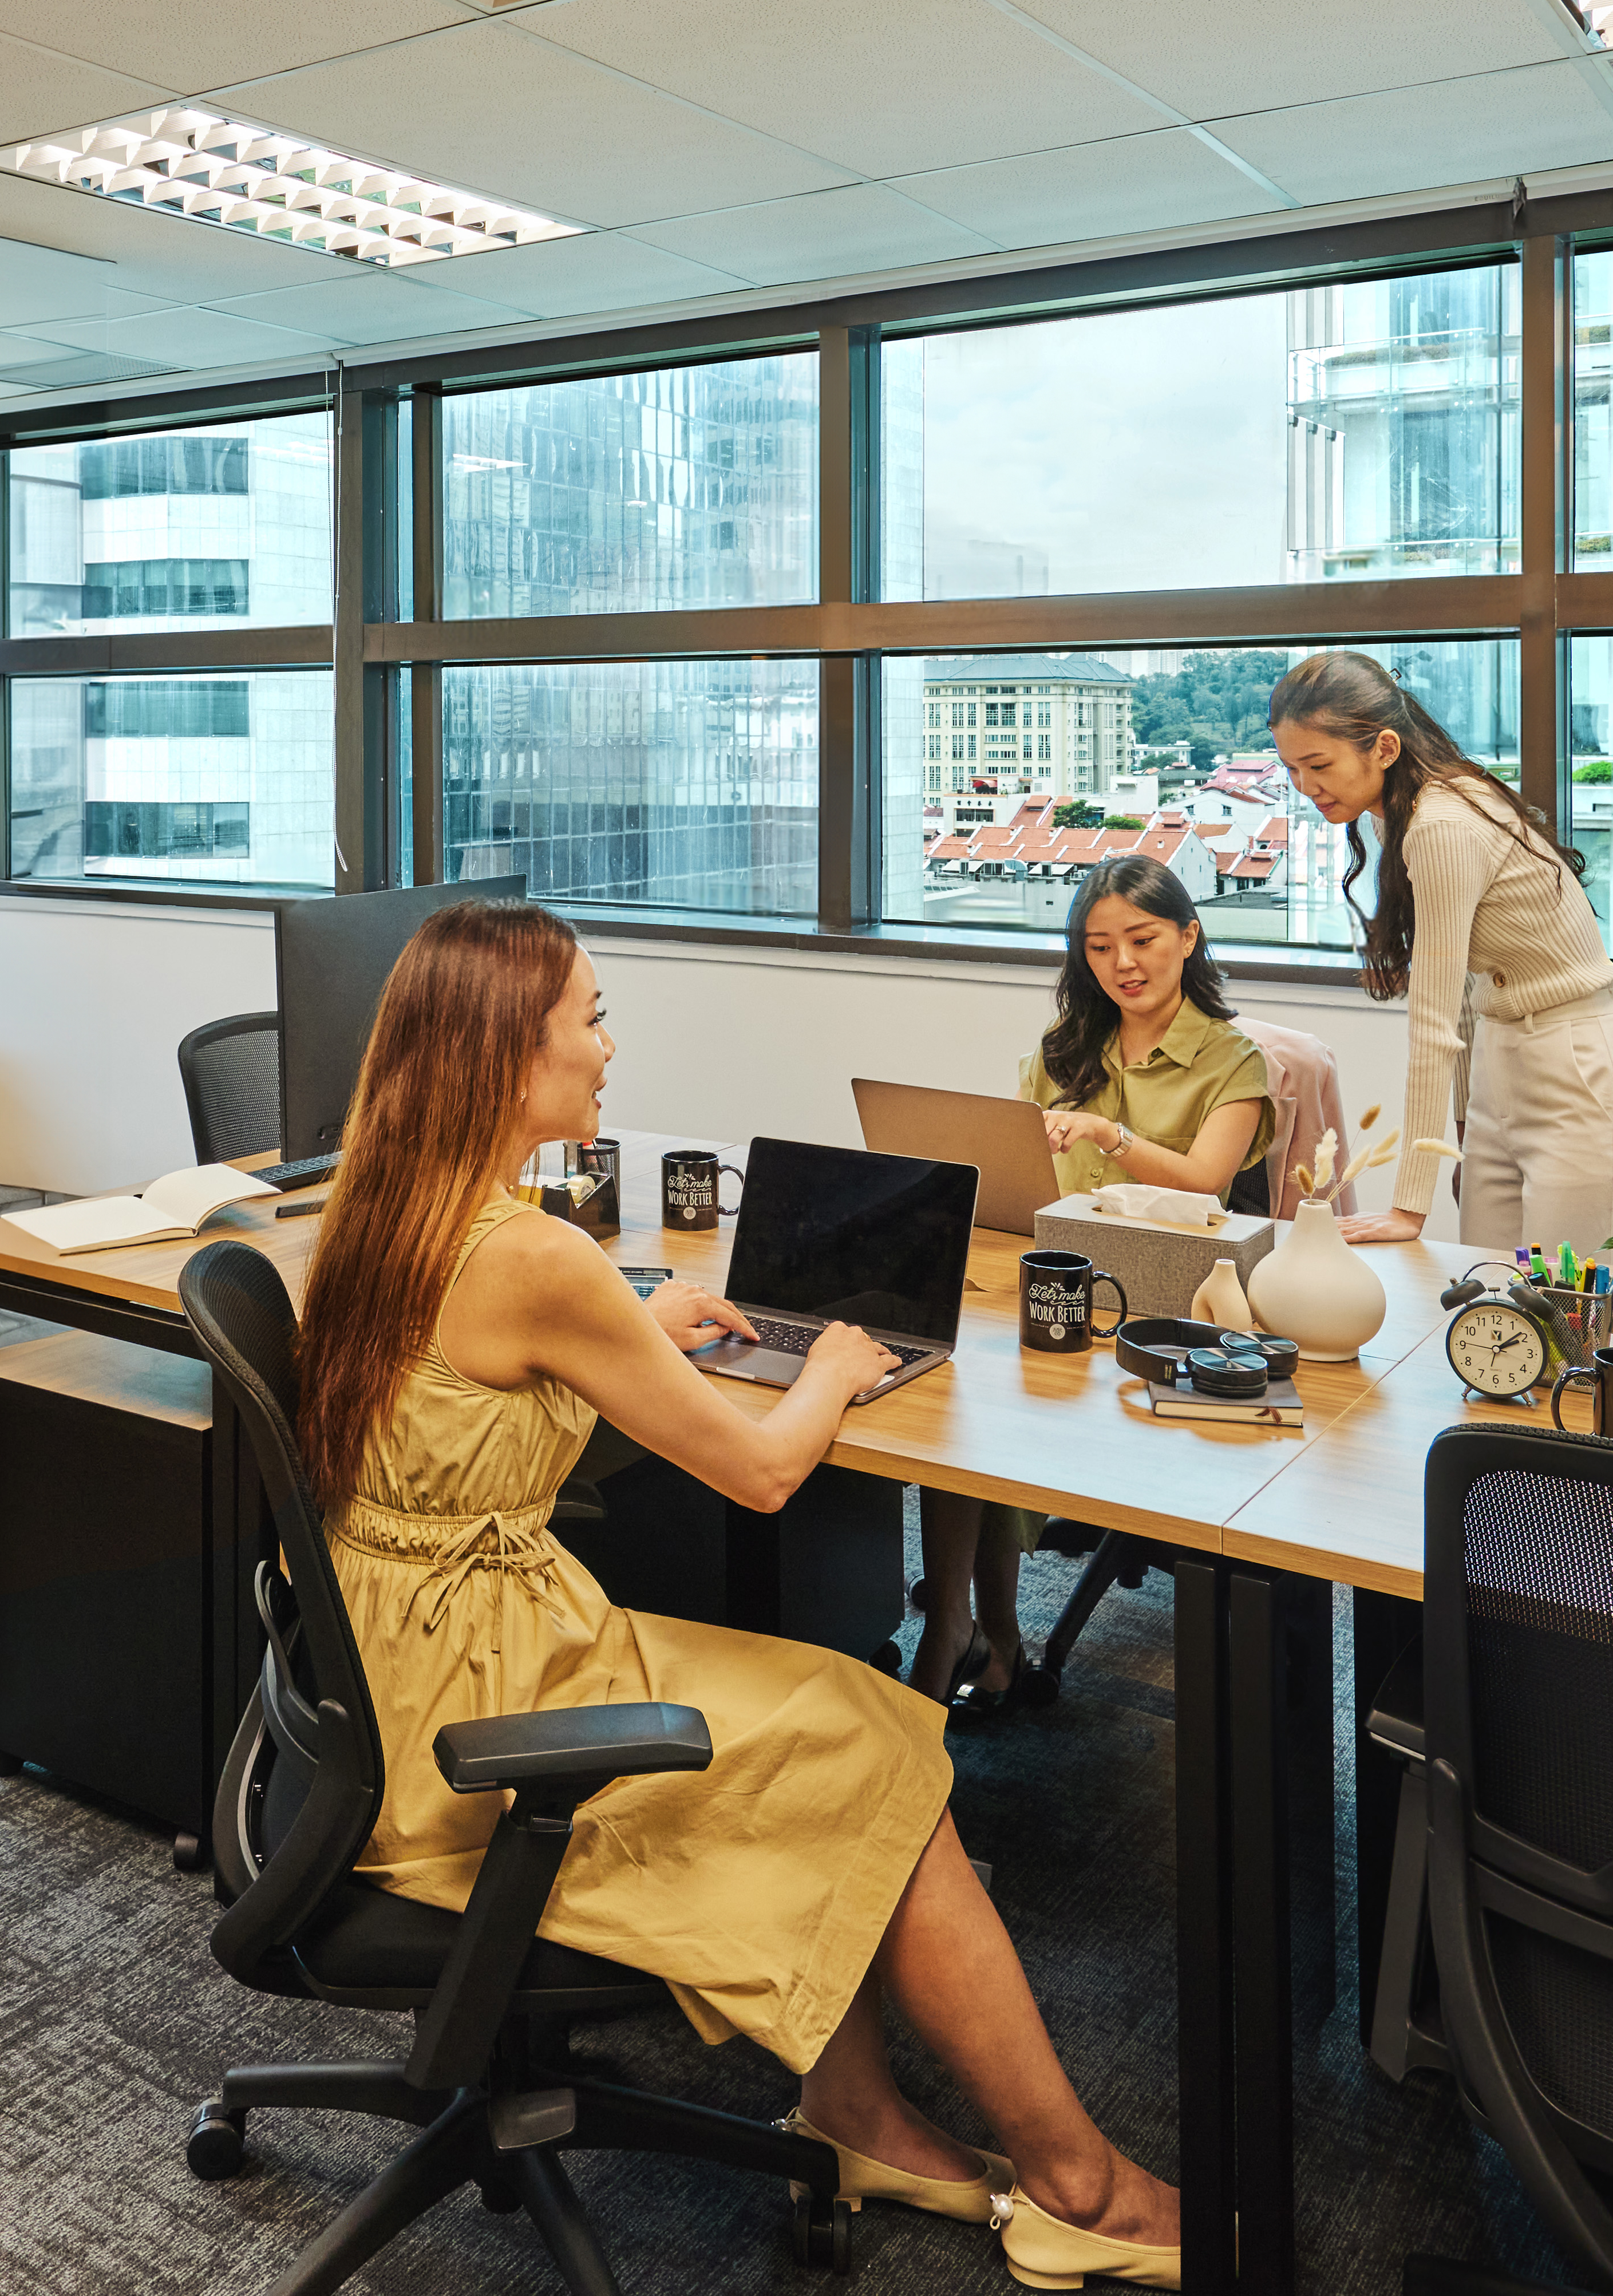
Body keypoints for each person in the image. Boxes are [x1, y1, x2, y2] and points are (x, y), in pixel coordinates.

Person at [294, 899, 1186, 2286]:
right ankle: (1074, 2185)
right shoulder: (532, 1254)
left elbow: (457, 1409)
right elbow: (767, 1475)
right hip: (483, 1713)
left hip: (398, 1660)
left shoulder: (384, 1193)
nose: (607, 1043)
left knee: (838, 1712)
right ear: (500, 1059)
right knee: (873, 1732)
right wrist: (834, 1364)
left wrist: (632, 1329)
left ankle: (860, 2110)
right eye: (587, 1016)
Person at [912, 858, 1274, 1710]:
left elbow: (1204, 1179)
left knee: (992, 1414)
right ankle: (969, 1627)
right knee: (952, 1392)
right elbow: (1014, 1171)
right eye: (1100, 945)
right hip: (1054, 1295)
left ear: (1189, 935)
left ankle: (985, 1635)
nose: (1124, 962)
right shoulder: (1065, 1048)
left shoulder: (1235, 1061)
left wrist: (1109, 1133)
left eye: (1143, 939)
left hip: (1163, 1309)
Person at [1271, 650, 1613, 1254]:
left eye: (1317, 764)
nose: (1304, 787)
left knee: (1573, 1315)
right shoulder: (1395, 818)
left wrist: (1408, 1204)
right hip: (1498, 1062)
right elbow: (1466, 999)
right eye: (1291, 769)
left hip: (1574, 1060)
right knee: (1494, 1300)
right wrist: (1455, 1133)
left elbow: (1431, 1023)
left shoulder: (1440, 824)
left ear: (1385, 749)